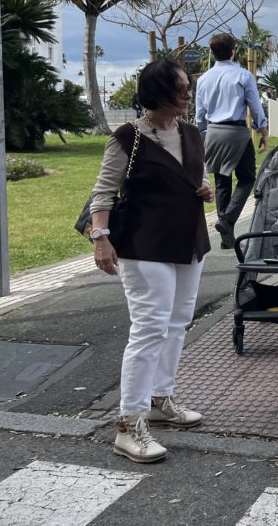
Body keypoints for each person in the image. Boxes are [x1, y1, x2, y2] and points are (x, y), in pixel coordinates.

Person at [89, 59, 213, 463]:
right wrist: (101, 239)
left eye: (189, 87)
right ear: (159, 92)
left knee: (177, 323)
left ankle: (161, 399)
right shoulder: (128, 138)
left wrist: (204, 189)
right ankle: (129, 424)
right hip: (144, 247)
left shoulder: (192, 133)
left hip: (188, 242)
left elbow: (195, 176)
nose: (189, 94)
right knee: (149, 328)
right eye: (182, 88)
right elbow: (103, 194)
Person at [194, 33, 268, 251]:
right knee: (247, 178)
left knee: (222, 180)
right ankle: (227, 220)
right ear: (233, 50)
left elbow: (200, 112)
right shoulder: (243, 75)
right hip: (237, 130)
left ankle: (226, 231)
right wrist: (263, 129)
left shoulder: (204, 79)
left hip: (213, 130)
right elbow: (254, 106)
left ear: (212, 52)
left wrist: (202, 133)